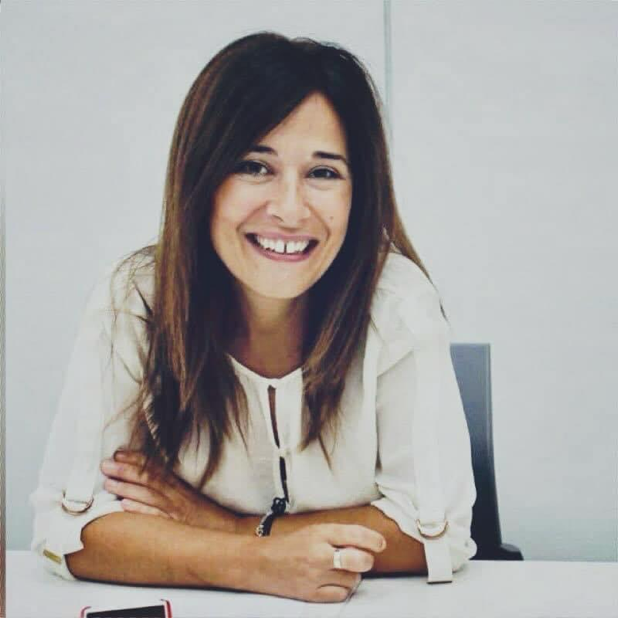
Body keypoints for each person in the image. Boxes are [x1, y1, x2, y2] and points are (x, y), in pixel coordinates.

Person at [29, 31, 477, 603]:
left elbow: (434, 533)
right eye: (253, 166)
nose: (290, 209)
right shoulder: (135, 297)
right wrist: (253, 560)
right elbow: (69, 530)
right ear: (201, 179)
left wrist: (227, 528)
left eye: (323, 173)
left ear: (359, 194)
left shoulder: (398, 305)